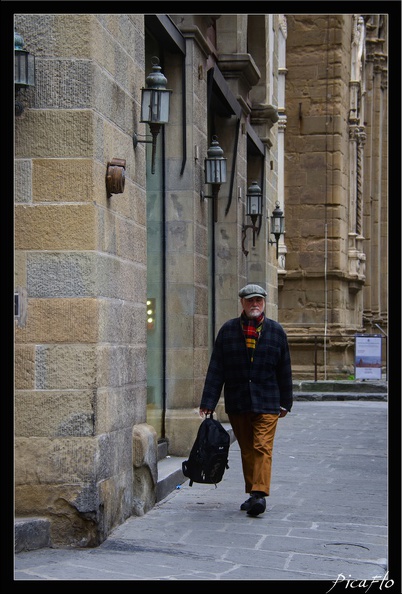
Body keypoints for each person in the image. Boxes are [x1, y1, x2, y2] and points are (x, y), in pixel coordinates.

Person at [199, 283, 293, 517]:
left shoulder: (276, 331)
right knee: (247, 449)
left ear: (264, 303)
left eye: (258, 300)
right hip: (239, 400)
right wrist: (208, 401)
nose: (254, 304)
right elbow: (216, 368)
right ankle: (253, 493)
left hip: (268, 400)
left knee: (262, 446)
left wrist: (286, 402)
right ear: (242, 302)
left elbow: (285, 369)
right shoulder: (228, 330)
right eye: (250, 300)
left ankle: (259, 494)